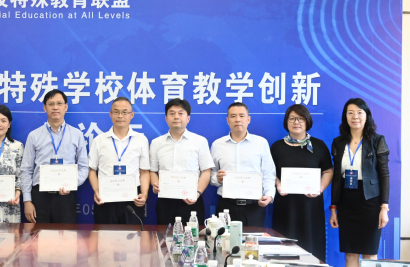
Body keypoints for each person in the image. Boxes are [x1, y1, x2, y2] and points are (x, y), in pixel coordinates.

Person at [329, 98, 390, 267]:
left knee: (369, 254)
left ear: (366, 116)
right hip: (347, 202)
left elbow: (384, 174)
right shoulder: (339, 142)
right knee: (351, 253)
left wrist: (384, 207)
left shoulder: (377, 140)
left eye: (359, 112)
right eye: (350, 113)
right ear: (345, 117)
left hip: (370, 201)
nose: (355, 116)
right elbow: (337, 178)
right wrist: (333, 208)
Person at [270, 104, 333, 261]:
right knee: (284, 249)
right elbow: (270, 173)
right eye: (292, 118)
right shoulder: (277, 147)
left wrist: (319, 189)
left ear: (307, 121)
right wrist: (278, 184)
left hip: (310, 206)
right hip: (286, 205)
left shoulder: (318, 146)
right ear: (286, 122)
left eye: (300, 119)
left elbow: (328, 171)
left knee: (312, 249)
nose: (296, 122)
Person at [20, 89, 89, 224]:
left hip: (66, 197)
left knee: (66, 236)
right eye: (51, 104)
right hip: (39, 197)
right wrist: (27, 200)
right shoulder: (34, 135)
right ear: (45, 108)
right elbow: (26, 169)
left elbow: (84, 167)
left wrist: (72, 184)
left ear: (66, 107)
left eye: (59, 103)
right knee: (39, 236)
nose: (55, 107)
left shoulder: (77, 134)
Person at [150, 98, 214, 226]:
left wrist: (197, 193)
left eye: (180, 113)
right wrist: (155, 184)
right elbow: (152, 171)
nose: (176, 117)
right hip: (165, 202)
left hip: (192, 201)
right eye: (172, 113)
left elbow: (206, 171)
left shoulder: (200, 141)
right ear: (166, 118)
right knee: (164, 235)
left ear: (188, 118)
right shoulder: (156, 143)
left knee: (193, 236)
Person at [211, 102, 276, 227]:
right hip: (226, 206)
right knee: (224, 239)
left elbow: (268, 173)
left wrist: (269, 195)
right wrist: (217, 178)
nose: (237, 119)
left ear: (248, 119)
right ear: (227, 120)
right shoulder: (217, 145)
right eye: (233, 116)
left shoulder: (261, 143)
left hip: (254, 206)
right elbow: (211, 174)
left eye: (241, 116)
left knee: (253, 239)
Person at [88, 97, 150, 224]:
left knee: (133, 235)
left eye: (125, 112)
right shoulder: (99, 140)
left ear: (132, 115)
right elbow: (92, 170)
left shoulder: (141, 140)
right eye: (116, 112)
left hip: (132, 199)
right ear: (110, 114)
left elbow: (144, 171)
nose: (120, 116)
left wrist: (144, 194)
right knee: (104, 235)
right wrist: (97, 191)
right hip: (105, 198)